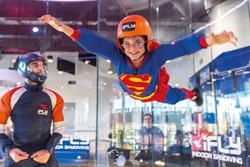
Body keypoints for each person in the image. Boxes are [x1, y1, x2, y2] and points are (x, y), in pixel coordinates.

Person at [39, 14, 238, 106]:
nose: (132, 49)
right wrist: (64, 28)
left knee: (176, 98)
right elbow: (93, 43)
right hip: (131, 93)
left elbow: (184, 47)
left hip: (154, 92)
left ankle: (194, 95)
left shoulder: (156, 56)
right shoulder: (117, 55)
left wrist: (210, 40)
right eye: (127, 43)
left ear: (147, 42)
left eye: (137, 42)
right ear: (121, 45)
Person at [0, 52, 65, 167]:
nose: (40, 68)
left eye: (42, 65)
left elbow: (59, 129)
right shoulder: (10, 96)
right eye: (35, 64)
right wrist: (9, 150)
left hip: (45, 157)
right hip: (17, 156)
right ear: (23, 68)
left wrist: (48, 151)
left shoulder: (55, 97)